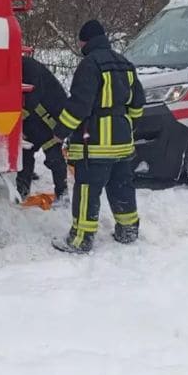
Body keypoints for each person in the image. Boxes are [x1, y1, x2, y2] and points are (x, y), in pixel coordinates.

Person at [51, 20, 145, 254]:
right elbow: (138, 104)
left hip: (94, 144)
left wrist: (59, 132)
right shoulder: (126, 64)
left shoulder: (89, 65)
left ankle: (80, 239)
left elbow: (79, 106)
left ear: (86, 40)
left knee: (87, 190)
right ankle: (128, 230)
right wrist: (125, 126)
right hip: (123, 143)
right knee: (122, 186)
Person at [17, 55, 69, 205]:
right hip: (37, 116)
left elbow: (31, 99)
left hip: (50, 117)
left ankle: (62, 194)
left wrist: (18, 123)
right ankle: (22, 191)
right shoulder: (22, 66)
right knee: (26, 152)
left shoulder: (28, 68)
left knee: (53, 154)